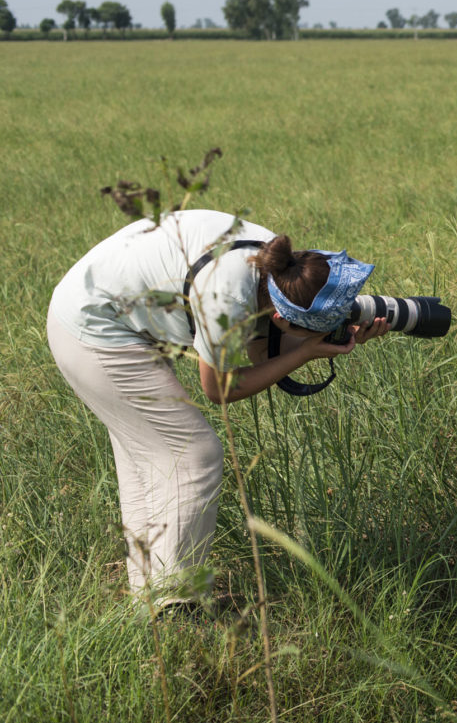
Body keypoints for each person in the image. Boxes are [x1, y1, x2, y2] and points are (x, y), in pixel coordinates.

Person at [47, 209, 388, 609]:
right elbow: (220, 388)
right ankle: (175, 606)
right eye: (309, 328)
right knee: (194, 455)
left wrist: (321, 342)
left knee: (152, 460)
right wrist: (307, 352)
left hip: (98, 309)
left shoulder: (277, 265)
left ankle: (151, 602)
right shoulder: (226, 296)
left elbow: (264, 345)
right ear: (282, 317)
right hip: (94, 330)